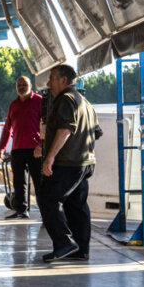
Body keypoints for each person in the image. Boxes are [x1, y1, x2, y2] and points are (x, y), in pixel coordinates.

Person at [39, 64, 100, 263]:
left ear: (63, 80)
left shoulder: (65, 99)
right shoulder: (85, 102)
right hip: (85, 162)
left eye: (51, 79)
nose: (48, 84)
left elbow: (65, 130)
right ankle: (81, 250)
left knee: (48, 200)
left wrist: (50, 157)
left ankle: (64, 243)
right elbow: (96, 132)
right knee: (77, 205)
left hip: (68, 162)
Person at [0, 76, 44, 219]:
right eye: (19, 85)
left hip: (35, 149)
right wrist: (1, 149)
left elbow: (46, 126)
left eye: (24, 84)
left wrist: (41, 145)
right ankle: (21, 210)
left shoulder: (39, 101)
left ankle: (46, 213)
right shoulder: (13, 104)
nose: (21, 87)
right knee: (18, 182)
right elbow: (7, 129)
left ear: (30, 86)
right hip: (17, 149)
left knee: (39, 182)